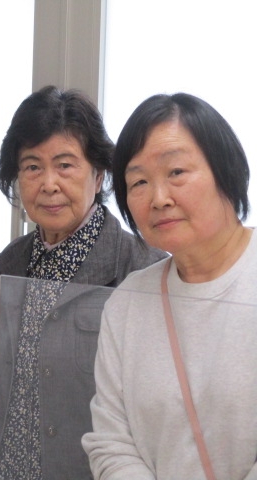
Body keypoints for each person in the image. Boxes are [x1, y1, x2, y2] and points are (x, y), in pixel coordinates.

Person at [0, 85, 166, 479]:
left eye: (65, 165)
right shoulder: (13, 261)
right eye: (32, 167)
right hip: (9, 467)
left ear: (99, 175)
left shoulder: (141, 267)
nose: (48, 183)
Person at [82, 93, 257, 479]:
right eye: (139, 182)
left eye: (176, 172)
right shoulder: (128, 302)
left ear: (226, 170)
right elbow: (111, 442)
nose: (159, 198)